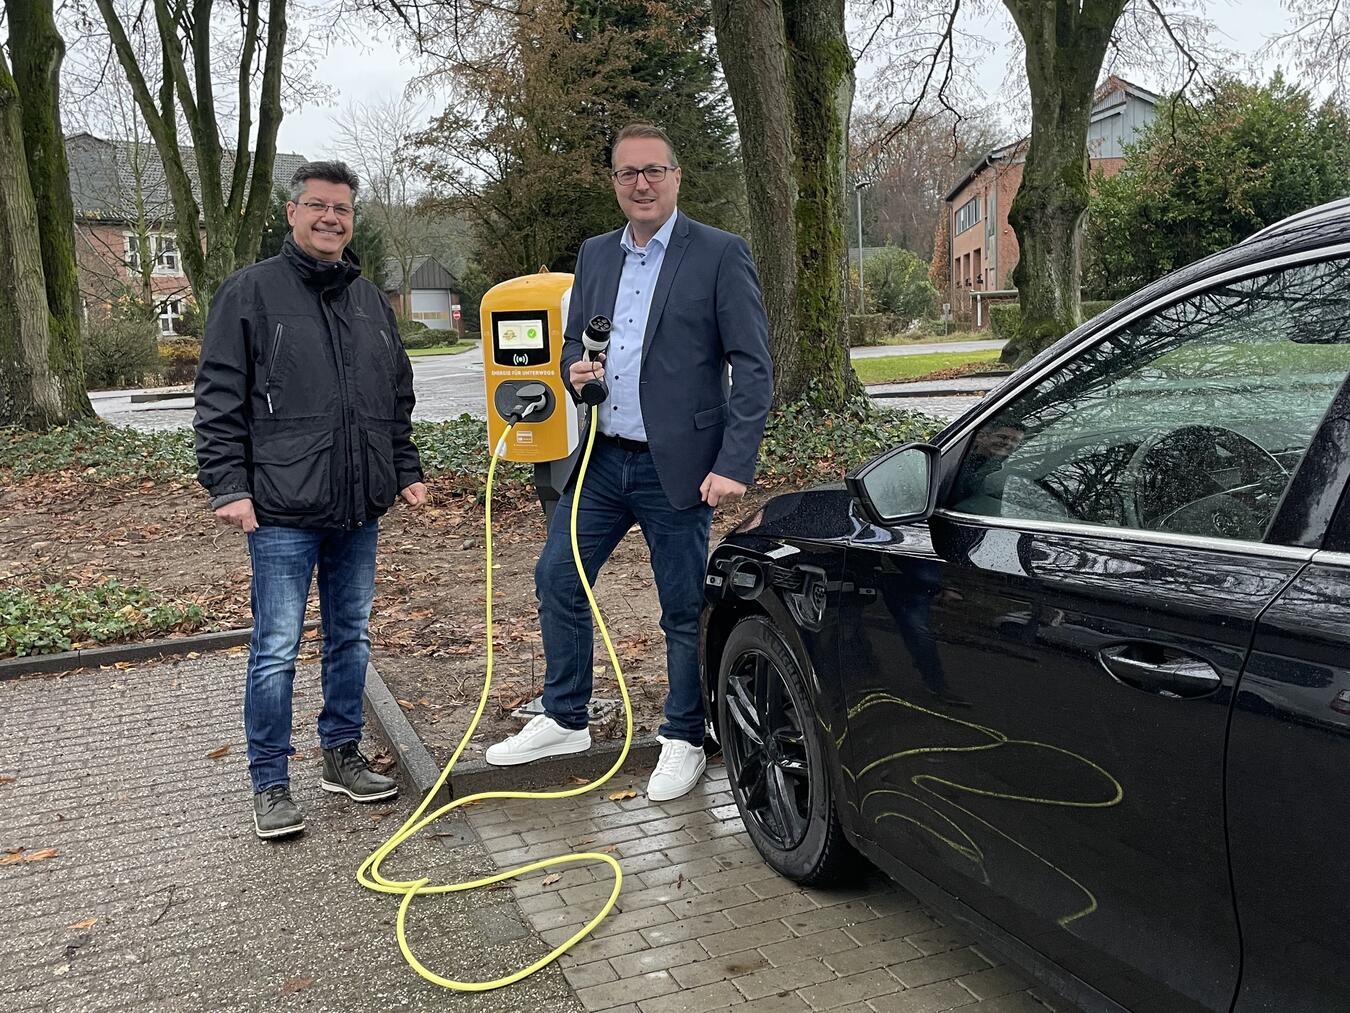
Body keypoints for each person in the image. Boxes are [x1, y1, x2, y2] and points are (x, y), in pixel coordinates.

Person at [485, 123, 773, 802]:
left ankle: (683, 734)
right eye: (627, 174)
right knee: (557, 575)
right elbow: (567, 349)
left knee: (680, 606)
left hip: (681, 466)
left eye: (653, 171)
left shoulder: (720, 254)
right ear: (613, 182)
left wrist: (733, 461)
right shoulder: (594, 255)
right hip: (603, 459)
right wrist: (574, 371)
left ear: (677, 176)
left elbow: (753, 368)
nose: (641, 184)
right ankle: (565, 717)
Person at [194, 160, 427, 840]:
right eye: (318, 206)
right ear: (292, 213)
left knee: (350, 634)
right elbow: (217, 400)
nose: (331, 218)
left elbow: (395, 396)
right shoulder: (250, 293)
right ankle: (269, 782)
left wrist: (404, 467)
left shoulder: (368, 301)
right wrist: (228, 485)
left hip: (358, 506)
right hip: (280, 511)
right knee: (275, 646)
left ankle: (342, 755)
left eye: (343, 210)